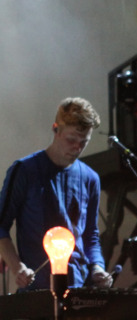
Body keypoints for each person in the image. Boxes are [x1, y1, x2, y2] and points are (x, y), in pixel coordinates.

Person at [0, 97, 112, 294]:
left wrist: (97, 268)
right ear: (56, 129)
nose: (77, 148)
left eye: (83, 142)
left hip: (78, 286)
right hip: (38, 288)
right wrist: (17, 267)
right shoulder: (25, 170)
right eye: (71, 140)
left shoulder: (90, 178)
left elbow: (90, 235)